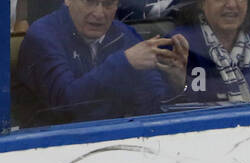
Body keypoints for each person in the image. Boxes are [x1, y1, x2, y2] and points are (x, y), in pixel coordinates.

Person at [14, 0, 189, 125]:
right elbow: (65, 104)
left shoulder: (126, 36)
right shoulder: (42, 37)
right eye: (90, 2)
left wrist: (175, 85)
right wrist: (123, 63)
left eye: (108, 4)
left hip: (115, 144)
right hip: (48, 152)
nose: (99, 13)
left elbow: (152, 109)